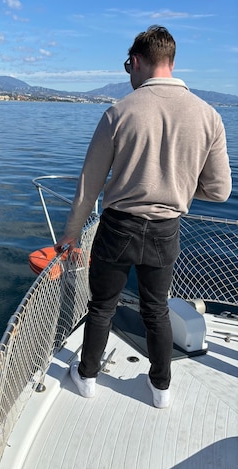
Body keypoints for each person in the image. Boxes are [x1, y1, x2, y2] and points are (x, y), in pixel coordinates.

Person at [54, 25, 232, 408]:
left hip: (118, 227)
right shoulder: (209, 116)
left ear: (136, 61)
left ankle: (86, 378)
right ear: (170, 60)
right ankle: (161, 388)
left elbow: (90, 186)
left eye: (127, 66)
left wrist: (70, 233)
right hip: (166, 230)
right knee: (157, 308)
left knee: (102, 306)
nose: (128, 74)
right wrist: (178, 187)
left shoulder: (119, 112)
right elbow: (219, 191)